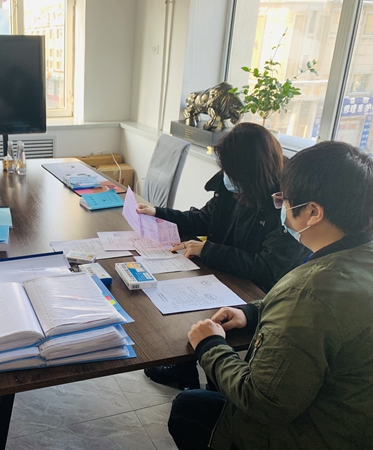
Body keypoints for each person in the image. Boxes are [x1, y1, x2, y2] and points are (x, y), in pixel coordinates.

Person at [168, 141, 373, 450]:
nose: (281, 208)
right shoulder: (355, 257)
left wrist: (210, 346)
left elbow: (262, 401)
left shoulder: (310, 292)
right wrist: (252, 312)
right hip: (349, 418)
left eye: (284, 200)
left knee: (188, 409)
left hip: (308, 435)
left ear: (313, 212)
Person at [138, 122, 309, 389]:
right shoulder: (231, 188)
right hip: (224, 273)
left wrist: (208, 250)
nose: (226, 175)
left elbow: (267, 269)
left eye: (231, 170)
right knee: (171, 292)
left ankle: (214, 381)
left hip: (255, 290)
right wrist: (159, 213)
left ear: (249, 171)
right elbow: (203, 219)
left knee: (189, 302)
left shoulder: (284, 205)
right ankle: (184, 368)